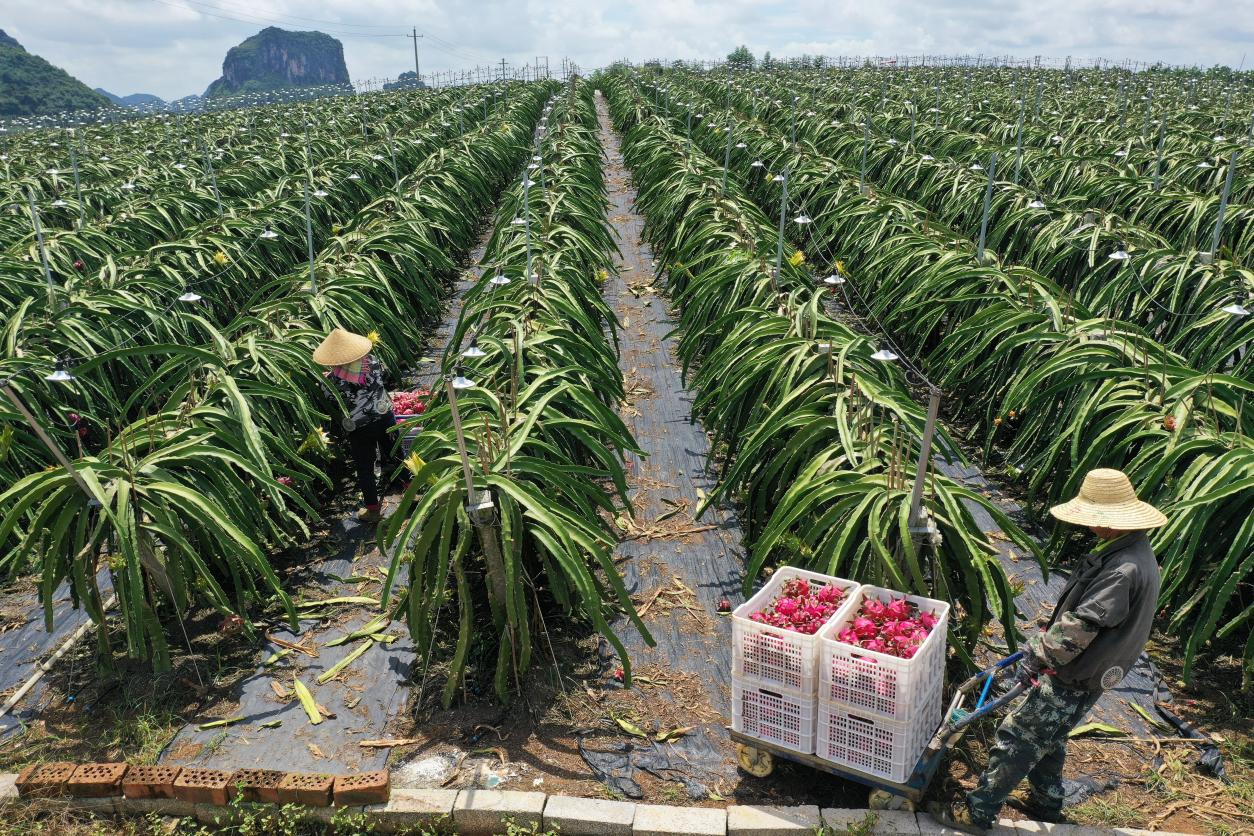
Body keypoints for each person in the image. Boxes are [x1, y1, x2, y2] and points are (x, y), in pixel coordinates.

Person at [930, 468, 1166, 834]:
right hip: (1092, 670)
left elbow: (1082, 627)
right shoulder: (1132, 550)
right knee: (1050, 735)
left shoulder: (1123, 569)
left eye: (1093, 518)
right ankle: (1046, 801)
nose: (1088, 526)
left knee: (1019, 736)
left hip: (1076, 670)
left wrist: (1038, 656)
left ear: (1110, 520)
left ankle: (977, 814)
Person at [312, 328, 401, 523]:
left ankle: (372, 510)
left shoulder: (331, 382)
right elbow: (385, 377)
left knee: (365, 468)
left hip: (360, 428)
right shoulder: (374, 362)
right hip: (385, 416)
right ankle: (413, 490)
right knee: (396, 452)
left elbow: (331, 401)